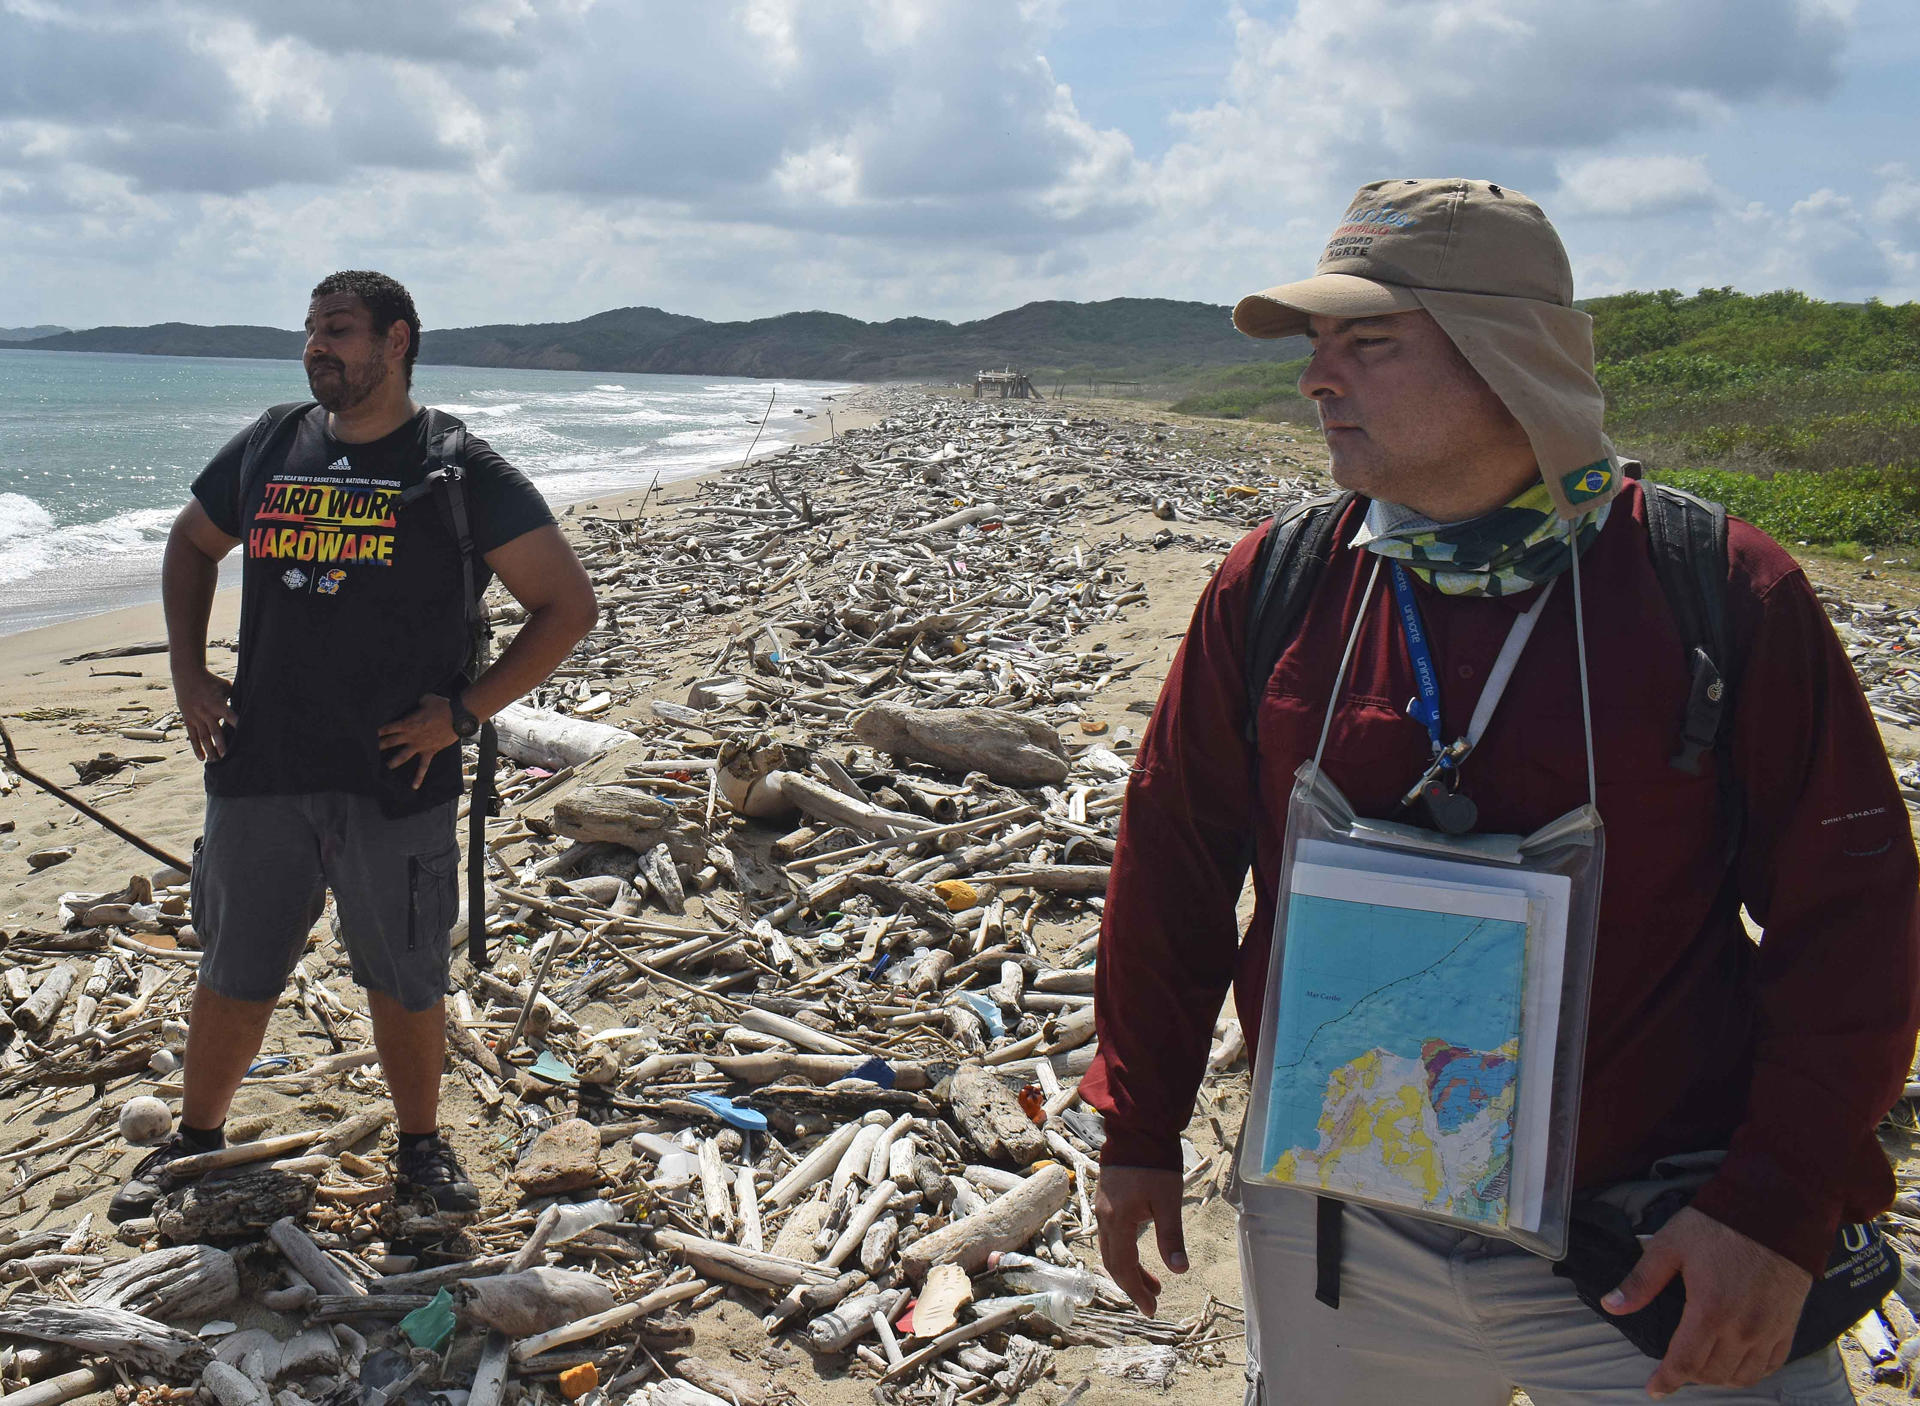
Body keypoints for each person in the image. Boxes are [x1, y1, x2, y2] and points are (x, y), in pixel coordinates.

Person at [1086, 179, 1920, 1404]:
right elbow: (1172, 865)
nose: (1318, 380)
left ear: (1511, 356)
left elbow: (1852, 922)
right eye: (1317, 348)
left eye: (1368, 344)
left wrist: (1777, 1208)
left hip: (1652, 1256)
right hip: (1338, 1238)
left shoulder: (1718, 591)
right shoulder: (1279, 587)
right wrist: (1139, 1125)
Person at [112, 270, 598, 1222]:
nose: (317, 347)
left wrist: (463, 712)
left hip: (396, 775)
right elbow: (189, 546)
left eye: (338, 330)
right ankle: (195, 1140)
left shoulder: (457, 467)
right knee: (235, 965)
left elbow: (566, 606)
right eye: (311, 331)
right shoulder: (269, 443)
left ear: (397, 341)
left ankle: (419, 1151)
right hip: (262, 767)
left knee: (403, 973)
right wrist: (188, 674)